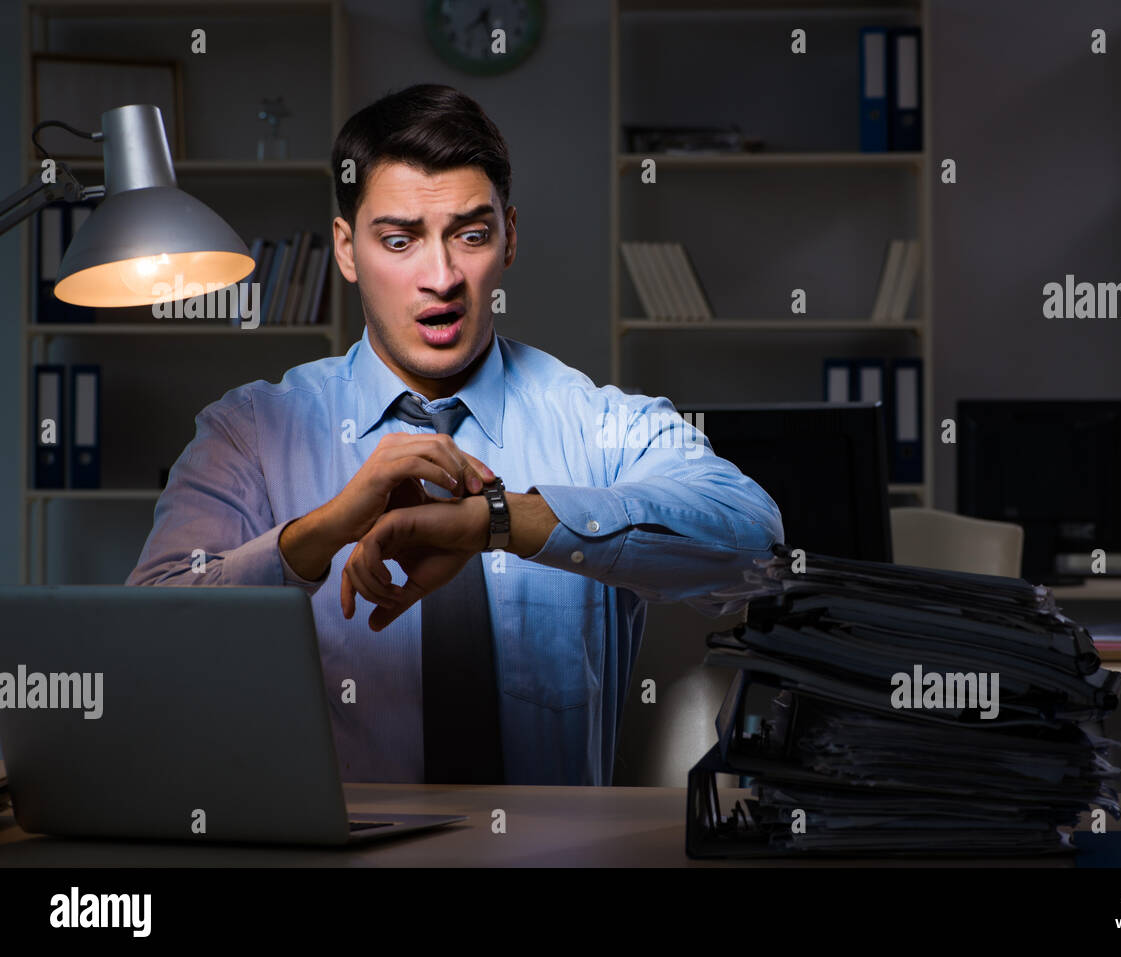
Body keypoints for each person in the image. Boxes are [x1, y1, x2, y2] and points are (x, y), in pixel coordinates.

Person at [127, 83, 783, 786]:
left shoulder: (597, 422)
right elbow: (146, 646)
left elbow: (759, 547)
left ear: (509, 238)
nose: (440, 278)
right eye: (399, 240)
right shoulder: (250, 431)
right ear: (347, 250)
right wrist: (317, 534)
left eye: (470, 235)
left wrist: (500, 521)